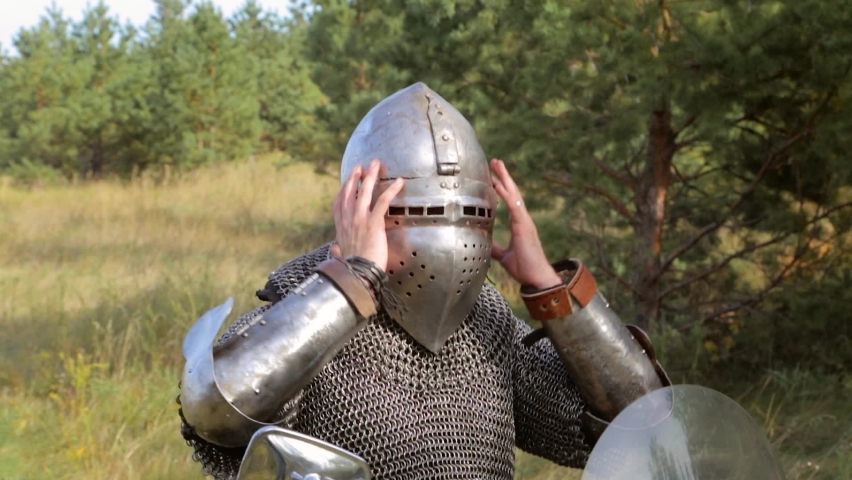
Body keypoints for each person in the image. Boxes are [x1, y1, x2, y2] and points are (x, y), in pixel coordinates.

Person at [177, 82, 670, 480]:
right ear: (363, 206)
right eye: (421, 211)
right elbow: (214, 409)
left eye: (471, 216)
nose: (449, 240)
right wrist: (349, 286)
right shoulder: (306, 301)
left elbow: (640, 422)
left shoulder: (487, 323)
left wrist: (550, 288)